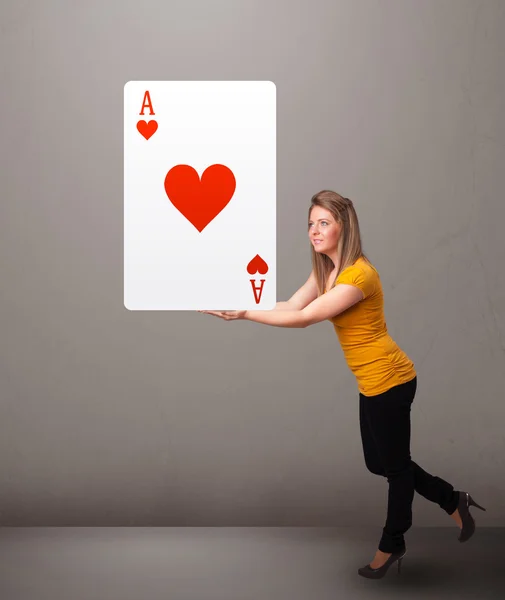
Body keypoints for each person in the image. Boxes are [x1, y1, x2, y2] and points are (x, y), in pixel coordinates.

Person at [199, 190, 486, 579]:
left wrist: (246, 312)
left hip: (391, 378)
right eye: (310, 224)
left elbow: (304, 320)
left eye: (324, 223)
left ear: (343, 227)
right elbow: (291, 305)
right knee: (379, 462)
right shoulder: (326, 272)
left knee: (396, 470)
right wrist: (237, 304)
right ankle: (453, 499)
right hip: (370, 381)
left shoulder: (359, 275)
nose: (314, 231)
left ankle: (392, 543)